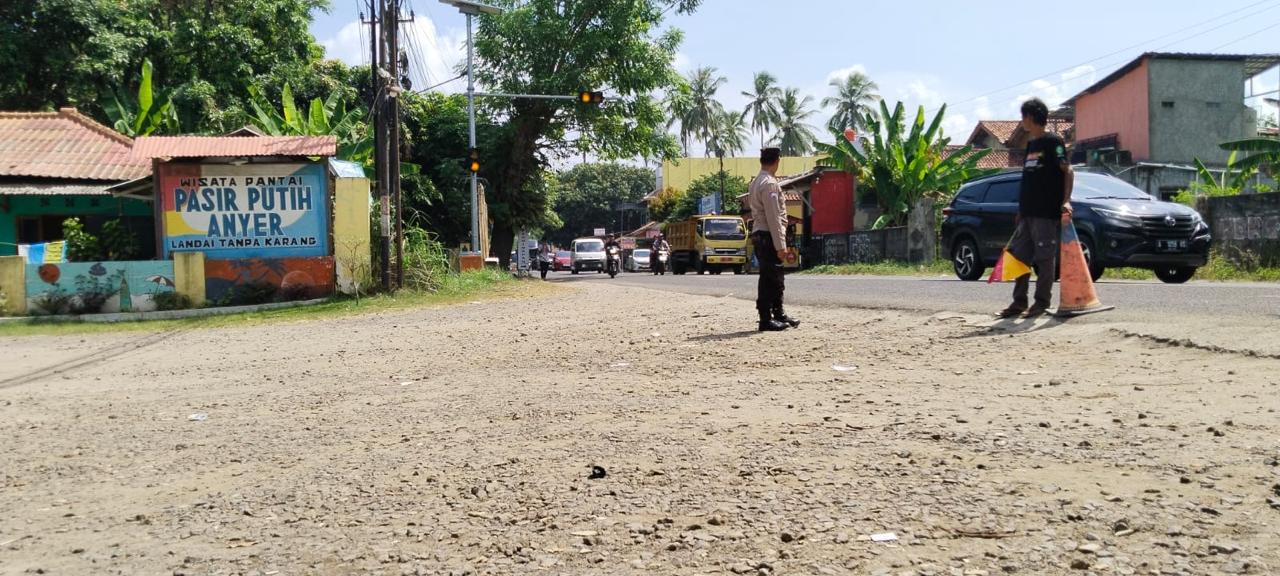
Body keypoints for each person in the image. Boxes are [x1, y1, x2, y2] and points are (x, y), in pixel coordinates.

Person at [998, 97, 1074, 319]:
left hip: (1045, 213)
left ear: (1030, 117)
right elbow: (1028, 180)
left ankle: (1041, 303)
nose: (1022, 121)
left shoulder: (1054, 142)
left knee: (1044, 258)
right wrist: (1021, 210)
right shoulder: (1031, 145)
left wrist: (1066, 200)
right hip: (1027, 213)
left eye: (1023, 116)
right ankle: (1018, 303)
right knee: (1019, 258)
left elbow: (1068, 171)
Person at [747, 147, 799, 332]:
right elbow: (773, 216)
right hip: (768, 235)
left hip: (760, 233)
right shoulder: (769, 183)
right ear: (777, 161)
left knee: (774, 276)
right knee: (771, 278)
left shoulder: (755, 182)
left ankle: (778, 314)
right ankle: (766, 319)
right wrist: (780, 245)